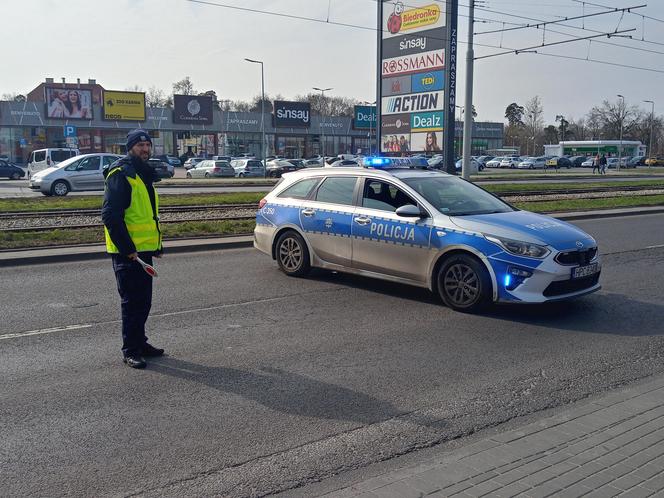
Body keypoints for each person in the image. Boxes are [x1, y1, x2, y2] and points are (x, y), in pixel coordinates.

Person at [102, 129, 164, 369]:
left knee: (144, 302)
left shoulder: (142, 174)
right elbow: (110, 216)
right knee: (132, 303)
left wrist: (156, 245)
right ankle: (130, 350)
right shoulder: (121, 174)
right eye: (140, 146)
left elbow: (147, 215)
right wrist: (128, 249)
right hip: (127, 253)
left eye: (148, 145)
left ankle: (141, 343)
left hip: (143, 252)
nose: (145, 149)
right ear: (130, 148)